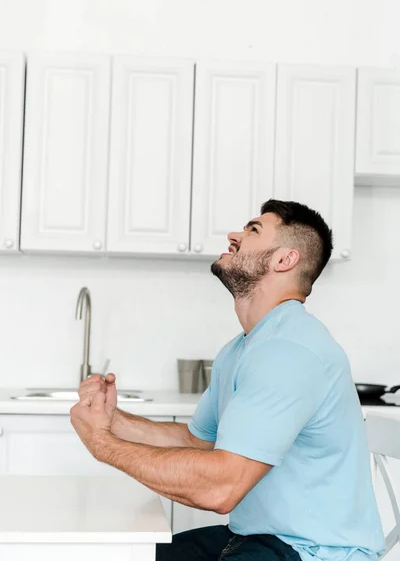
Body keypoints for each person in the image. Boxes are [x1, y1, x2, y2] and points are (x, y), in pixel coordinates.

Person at [70, 199, 385, 561]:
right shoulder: (242, 348)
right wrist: (113, 421)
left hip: (313, 552)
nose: (234, 235)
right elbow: (199, 442)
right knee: (123, 555)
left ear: (284, 260)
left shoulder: (291, 351)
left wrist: (102, 444)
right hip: (258, 538)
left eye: (252, 230)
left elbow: (221, 489)